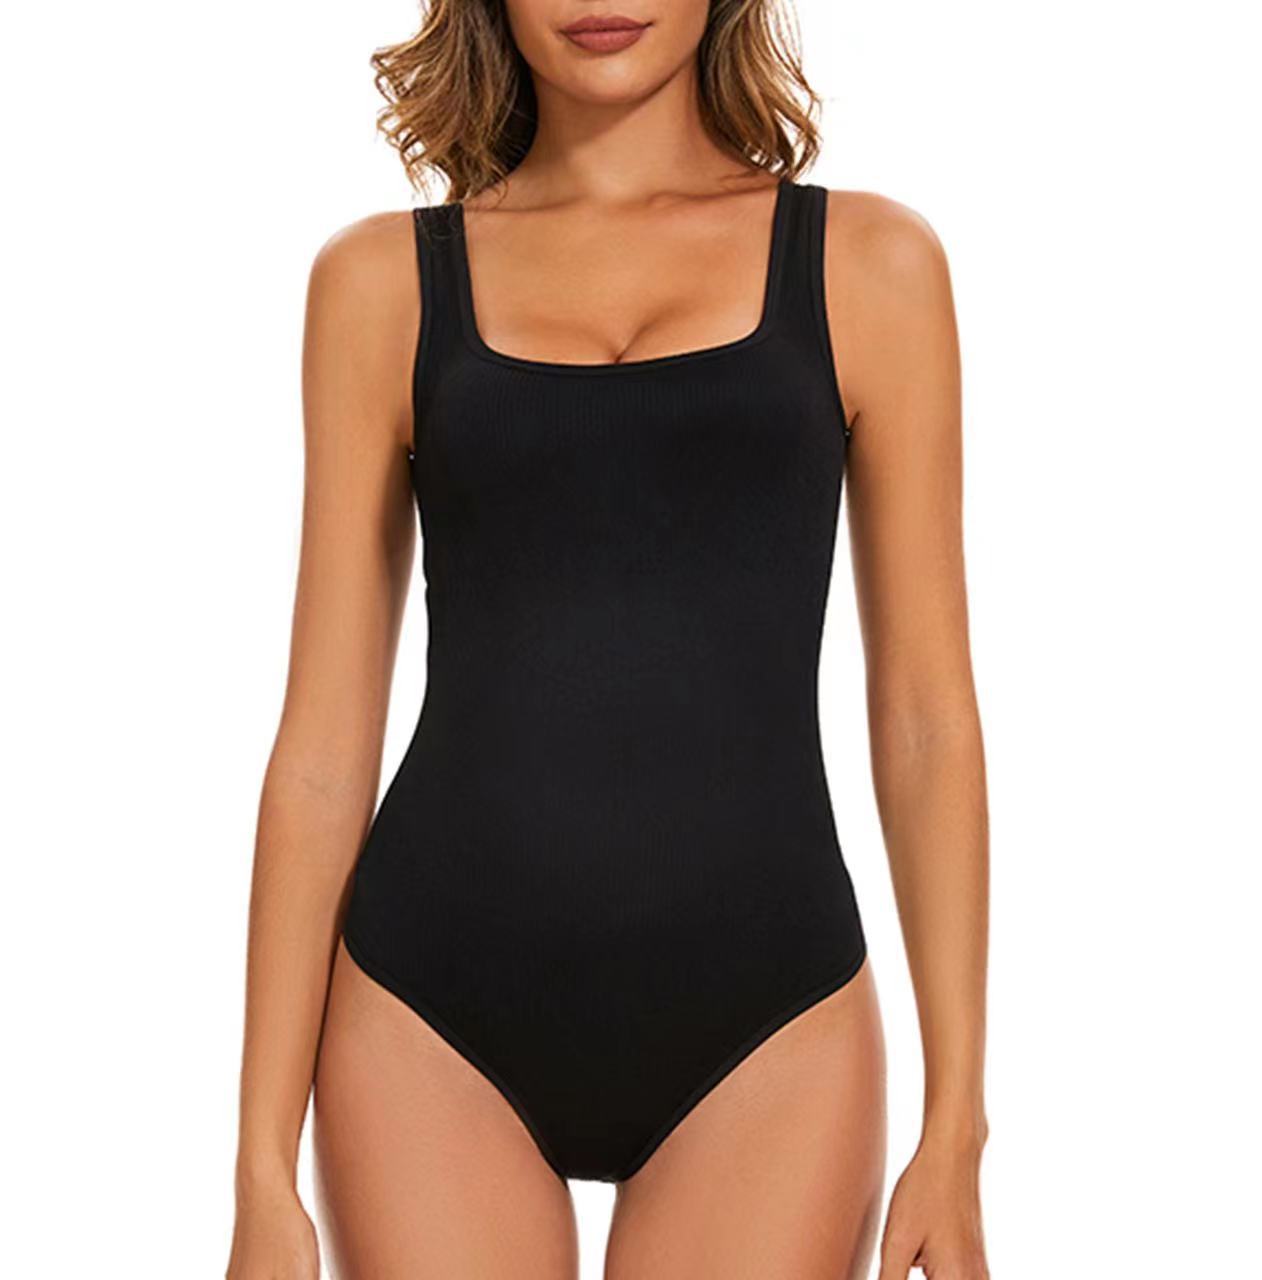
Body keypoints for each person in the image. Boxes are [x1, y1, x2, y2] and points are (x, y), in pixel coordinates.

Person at [226, 2, 991, 1277]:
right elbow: (318, 752)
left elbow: (924, 715)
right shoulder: (377, 284)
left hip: (771, 1020)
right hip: (430, 1013)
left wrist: (954, 1121)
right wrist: (260, 1168)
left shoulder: (870, 266)